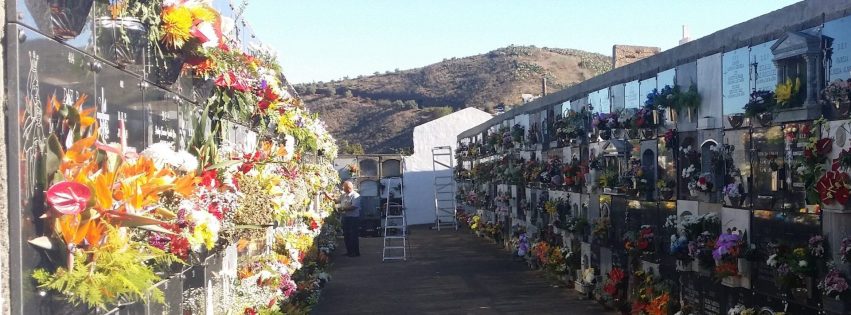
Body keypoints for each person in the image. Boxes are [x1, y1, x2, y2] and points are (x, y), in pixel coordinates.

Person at [335, 180, 361, 257]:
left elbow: (353, 207)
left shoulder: (355, 195)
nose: (343, 188)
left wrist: (342, 209)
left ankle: (355, 252)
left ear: (349, 188)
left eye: (344, 187)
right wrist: (327, 195)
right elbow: (337, 201)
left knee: (353, 235)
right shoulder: (344, 195)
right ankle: (349, 251)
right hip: (346, 218)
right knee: (346, 235)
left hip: (353, 218)